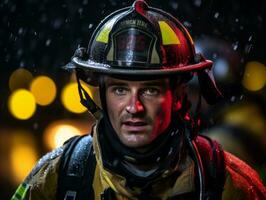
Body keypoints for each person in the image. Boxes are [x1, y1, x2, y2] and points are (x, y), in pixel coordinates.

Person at [11, 1, 266, 199]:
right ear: (100, 95)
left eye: (150, 90)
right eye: (120, 90)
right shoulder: (56, 177)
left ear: (178, 96)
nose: (134, 108)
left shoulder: (229, 183)